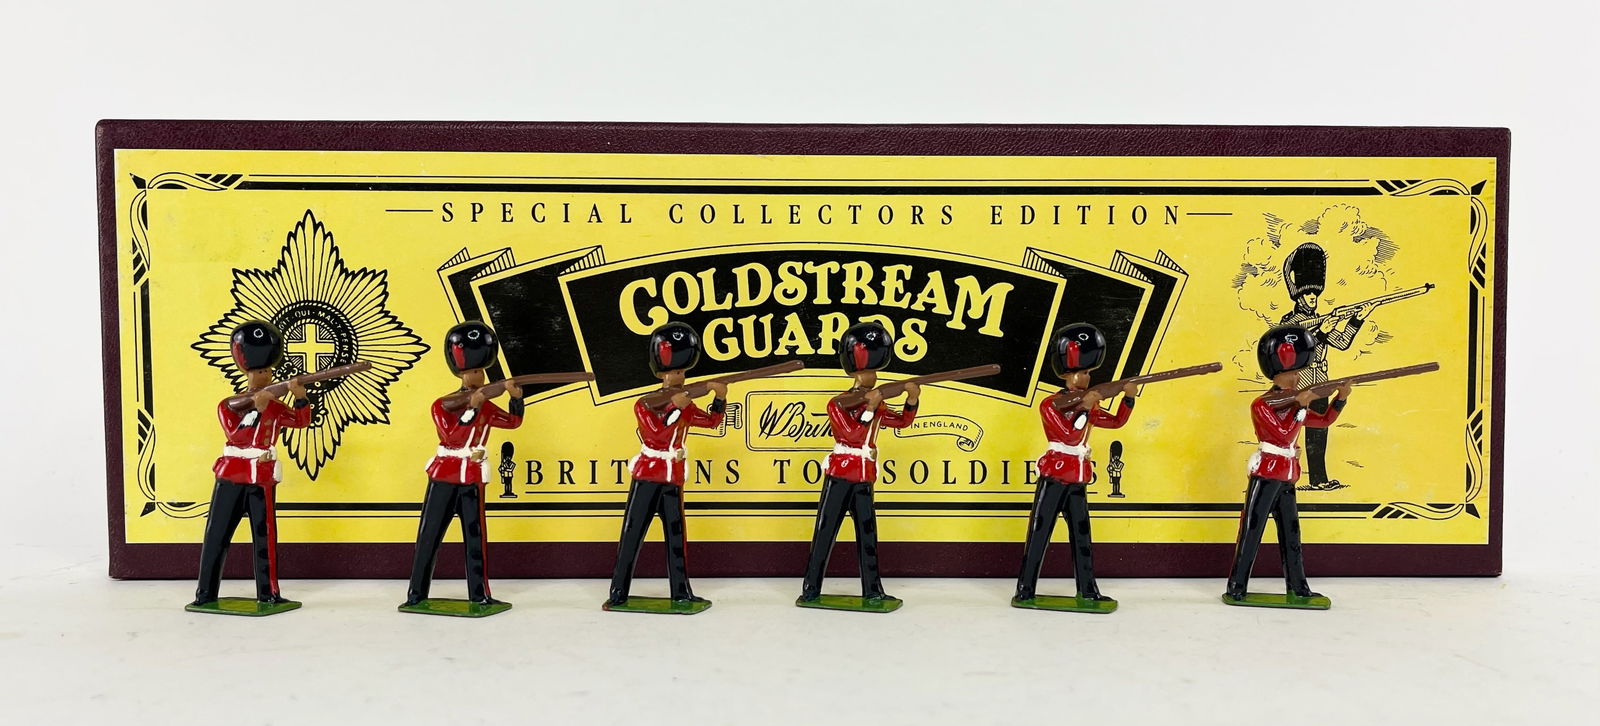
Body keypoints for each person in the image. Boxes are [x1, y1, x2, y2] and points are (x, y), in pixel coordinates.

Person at [1223, 324, 1351, 608]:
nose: (1298, 377)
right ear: (1279, 373)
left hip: (1287, 476)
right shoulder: (1262, 405)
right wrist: (1301, 406)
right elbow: (1283, 435)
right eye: (1294, 373)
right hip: (1267, 475)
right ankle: (1237, 587)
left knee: (1292, 535)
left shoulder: (1291, 405)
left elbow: (1324, 421)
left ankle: (1299, 588)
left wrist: (1340, 399)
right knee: (1251, 533)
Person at [190, 320, 310, 613]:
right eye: (259, 372)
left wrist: (300, 397)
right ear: (247, 372)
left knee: (265, 539)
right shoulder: (229, 405)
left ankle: (269, 594)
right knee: (217, 535)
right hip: (232, 476)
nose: (264, 376)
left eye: (267, 371)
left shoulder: (274, 406)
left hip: (261, 477)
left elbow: (300, 422)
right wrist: (256, 410)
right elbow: (237, 436)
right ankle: (205, 594)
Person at [1013, 323, 1135, 610]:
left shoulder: (1085, 405)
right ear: (1067, 375)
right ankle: (1025, 591)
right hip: (1055, 477)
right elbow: (1069, 435)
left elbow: (1116, 422)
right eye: (1082, 373)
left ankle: (1088, 591)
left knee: (1082, 538)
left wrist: (1128, 398)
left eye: (1088, 373)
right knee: (1039, 535)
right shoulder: (1051, 404)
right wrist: (1085, 407)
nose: (1086, 378)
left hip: (1078, 478)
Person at [606, 321, 726, 612]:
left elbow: (711, 422)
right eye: (674, 372)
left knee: (676, 539)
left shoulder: (684, 404)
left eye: (682, 372)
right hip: (648, 477)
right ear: (661, 373)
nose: (679, 377)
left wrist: (720, 398)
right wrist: (676, 407)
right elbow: (657, 434)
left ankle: (681, 592)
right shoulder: (645, 404)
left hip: (672, 478)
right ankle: (618, 593)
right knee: (632, 534)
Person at [798, 321, 919, 608]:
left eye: (873, 372)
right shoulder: (838, 403)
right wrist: (870, 407)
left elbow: (902, 422)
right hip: (840, 475)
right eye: (867, 372)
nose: (872, 377)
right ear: (855, 373)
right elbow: (851, 434)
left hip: (864, 476)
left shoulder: (873, 403)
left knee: (868, 537)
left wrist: (912, 399)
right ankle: (811, 589)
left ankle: (873, 591)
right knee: (825, 532)